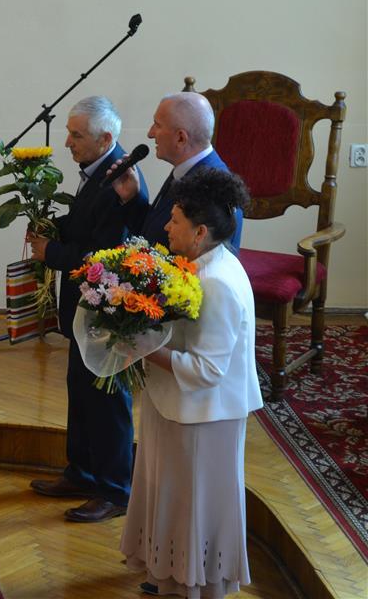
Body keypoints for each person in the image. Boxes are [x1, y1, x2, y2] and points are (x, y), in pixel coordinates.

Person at [122, 167, 262, 597]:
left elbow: (207, 370)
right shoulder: (200, 265)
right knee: (169, 499)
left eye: (175, 220)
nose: (166, 227)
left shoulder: (217, 283)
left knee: (192, 507)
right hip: (174, 407)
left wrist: (143, 347)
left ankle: (194, 585)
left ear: (200, 232)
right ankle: (167, 577)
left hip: (204, 418)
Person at [26, 96, 147, 523]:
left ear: (105, 138)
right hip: (83, 303)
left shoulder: (120, 180)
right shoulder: (98, 169)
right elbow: (85, 226)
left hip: (106, 307)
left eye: (76, 135)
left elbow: (104, 256)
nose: (67, 142)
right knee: (80, 389)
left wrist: (52, 252)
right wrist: (51, 228)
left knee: (106, 398)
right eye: (69, 132)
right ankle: (81, 473)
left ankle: (114, 490)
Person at [113, 92, 242, 251]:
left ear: (181, 138)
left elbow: (187, 261)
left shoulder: (210, 188)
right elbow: (155, 234)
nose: (150, 133)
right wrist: (131, 198)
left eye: (157, 125)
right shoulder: (187, 168)